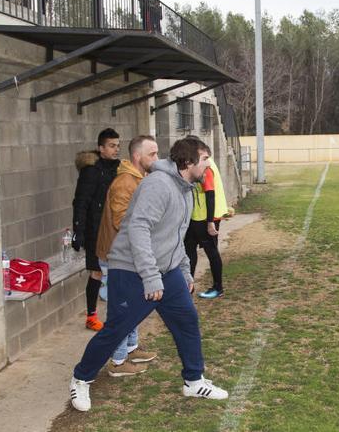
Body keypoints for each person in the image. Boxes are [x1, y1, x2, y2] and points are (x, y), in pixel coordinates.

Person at [69, 138, 228, 412]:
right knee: (116, 329)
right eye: (205, 160)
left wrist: (182, 272)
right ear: (188, 162)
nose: (208, 166)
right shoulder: (158, 185)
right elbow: (138, 230)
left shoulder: (186, 190)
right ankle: (81, 378)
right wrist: (151, 277)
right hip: (132, 270)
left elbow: (175, 237)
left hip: (165, 271)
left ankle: (193, 380)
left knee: (187, 320)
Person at [95, 135, 160, 377]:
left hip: (126, 256)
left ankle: (130, 348)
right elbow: (122, 221)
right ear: (137, 156)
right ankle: (118, 361)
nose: (157, 158)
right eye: (152, 154)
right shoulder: (125, 182)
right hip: (117, 257)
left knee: (132, 304)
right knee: (122, 309)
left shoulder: (137, 179)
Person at [72, 128, 121, 331]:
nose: (116, 149)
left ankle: (116, 312)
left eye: (118, 145)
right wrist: (79, 232)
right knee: (96, 273)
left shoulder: (119, 169)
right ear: (101, 148)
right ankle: (91, 316)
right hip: (95, 232)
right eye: (111, 146)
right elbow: (81, 202)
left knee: (118, 272)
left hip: (114, 231)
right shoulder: (91, 170)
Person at [181, 137, 231, 300]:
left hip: (207, 217)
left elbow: (210, 195)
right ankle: (188, 286)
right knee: (189, 251)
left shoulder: (205, 167)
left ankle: (218, 287)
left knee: (211, 252)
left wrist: (210, 222)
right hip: (196, 217)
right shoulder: (197, 164)